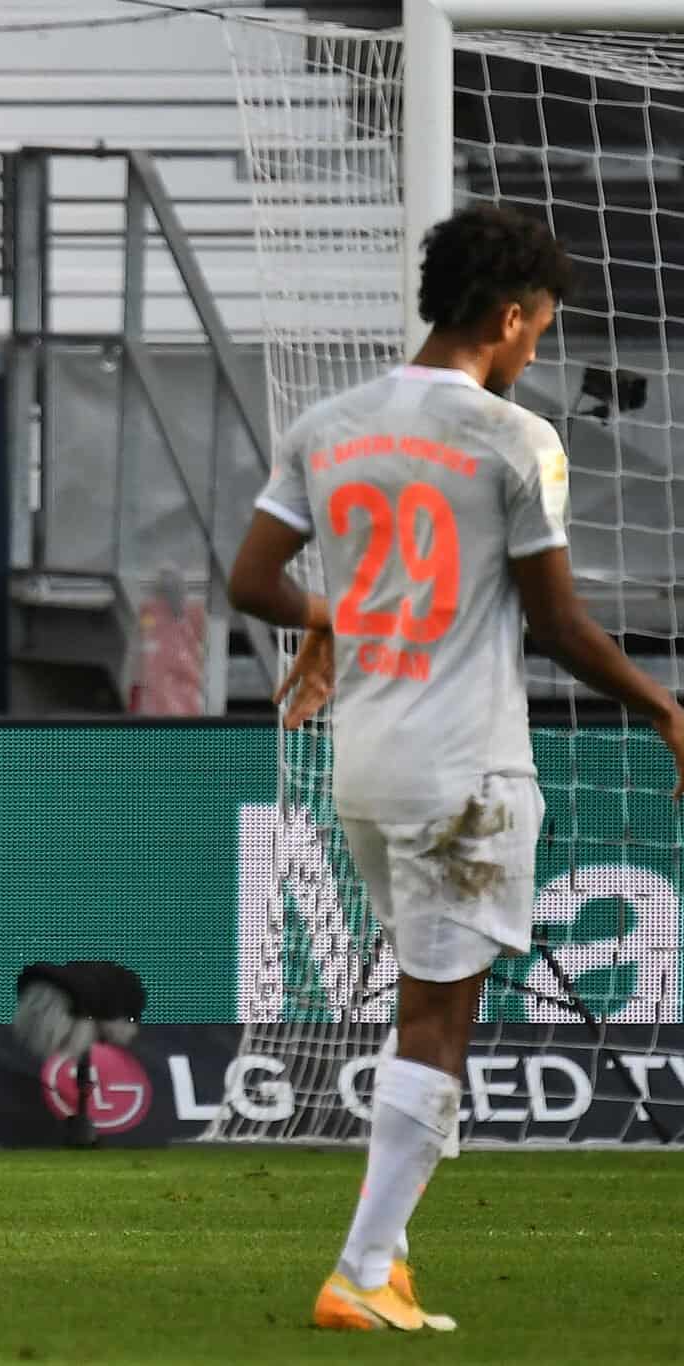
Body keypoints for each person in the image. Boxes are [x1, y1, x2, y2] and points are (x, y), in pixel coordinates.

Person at [227, 203, 684, 1331]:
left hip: (364, 768)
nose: (537, 347)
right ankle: (363, 1270)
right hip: (466, 772)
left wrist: (326, 617)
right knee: (435, 1022)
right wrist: (665, 707)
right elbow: (561, 623)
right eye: (538, 328)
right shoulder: (511, 439)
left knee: (420, 1011)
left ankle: (384, 1261)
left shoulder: (327, 425)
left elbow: (249, 581)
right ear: (510, 316)